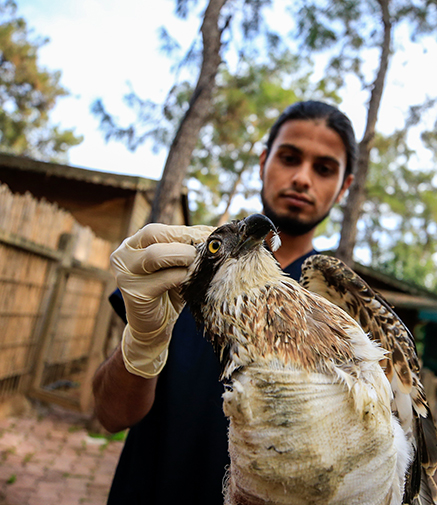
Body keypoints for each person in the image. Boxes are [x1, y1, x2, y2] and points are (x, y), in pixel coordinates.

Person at [92, 100, 357, 504]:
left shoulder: (343, 311)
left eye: (324, 168)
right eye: (289, 158)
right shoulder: (188, 261)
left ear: (344, 187)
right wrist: (143, 344)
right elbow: (110, 416)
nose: (302, 178)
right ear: (264, 162)